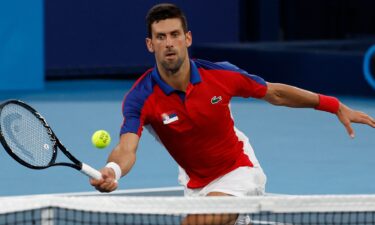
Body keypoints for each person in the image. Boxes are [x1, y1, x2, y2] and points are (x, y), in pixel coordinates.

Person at [90, 3, 375, 225]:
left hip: (239, 170)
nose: (169, 43)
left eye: (175, 35)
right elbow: (127, 147)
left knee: (196, 223)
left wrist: (333, 104)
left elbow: (274, 93)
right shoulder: (140, 97)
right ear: (150, 45)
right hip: (194, 181)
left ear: (187, 38)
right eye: (160, 37)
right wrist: (113, 170)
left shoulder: (221, 75)